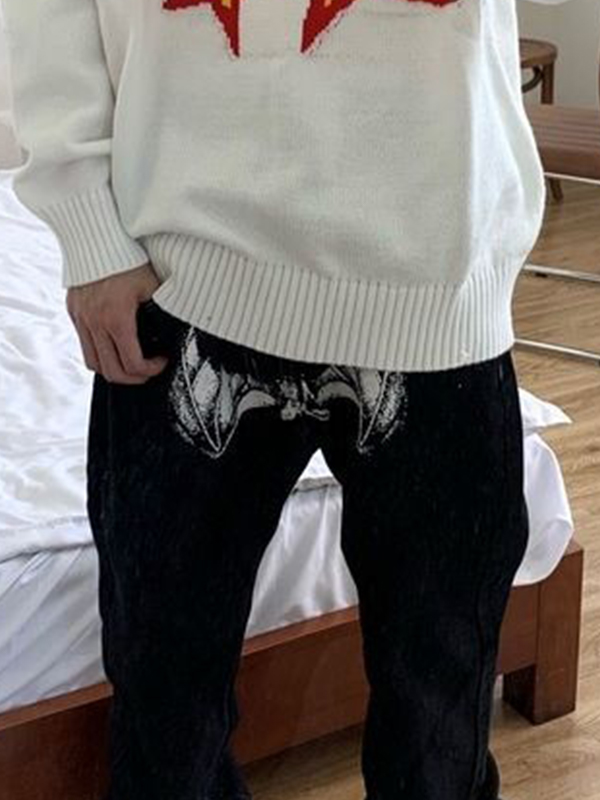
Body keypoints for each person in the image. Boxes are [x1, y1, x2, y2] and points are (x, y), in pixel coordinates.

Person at [2, 0, 545, 798]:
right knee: (165, 712)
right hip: (182, 282)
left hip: (440, 276)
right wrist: (87, 232)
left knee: (441, 721)